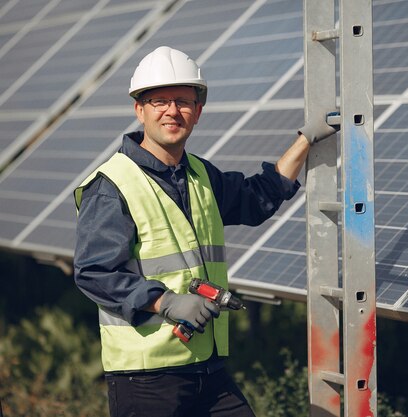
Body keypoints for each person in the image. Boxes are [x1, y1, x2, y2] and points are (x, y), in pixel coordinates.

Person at [73, 46, 337, 417]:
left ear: (198, 112)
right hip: (147, 376)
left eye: (183, 102)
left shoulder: (200, 175)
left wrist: (306, 139)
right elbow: (95, 272)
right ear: (140, 110)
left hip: (206, 366)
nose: (172, 111)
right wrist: (166, 302)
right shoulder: (112, 184)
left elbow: (258, 197)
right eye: (159, 101)